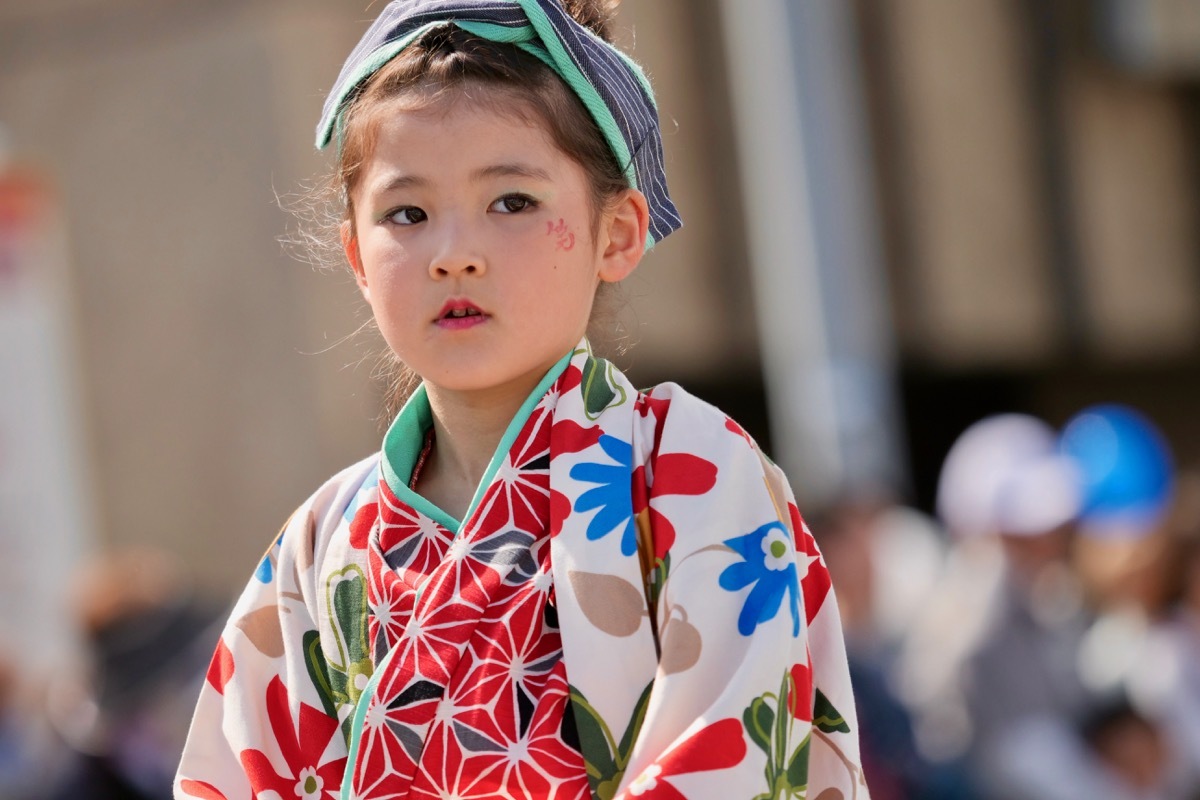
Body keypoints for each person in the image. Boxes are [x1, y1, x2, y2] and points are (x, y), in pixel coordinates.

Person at [174, 2, 869, 798]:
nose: (454, 256)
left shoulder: (687, 471)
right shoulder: (321, 545)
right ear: (357, 257)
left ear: (617, 232)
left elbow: (734, 761)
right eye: (407, 214)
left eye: (512, 202)